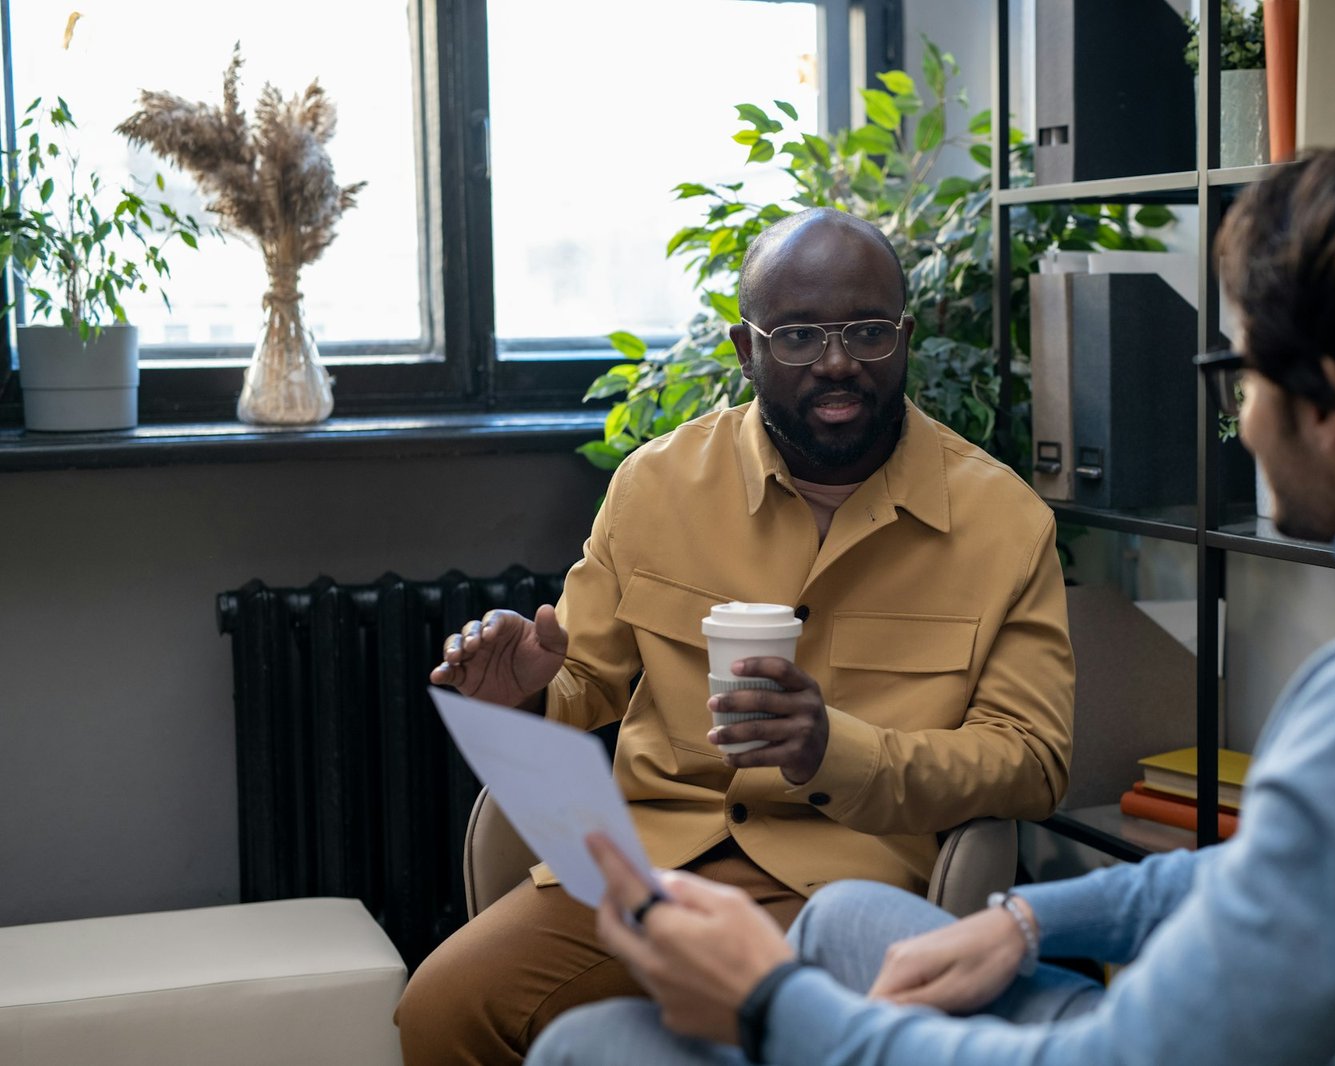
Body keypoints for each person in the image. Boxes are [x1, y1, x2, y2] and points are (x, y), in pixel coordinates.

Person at [526, 145, 1335, 1066]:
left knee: (590, 1045)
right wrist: (1039, 911)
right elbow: (1298, 864)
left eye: (1241, 369)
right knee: (852, 915)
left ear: (1320, 405)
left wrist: (771, 1004)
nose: (1240, 409)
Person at [394, 207, 1075, 1064]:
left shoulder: (1002, 521)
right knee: (444, 1008)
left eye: (867, 332)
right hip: (645, 873)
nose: (837, 363)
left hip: (842, 885)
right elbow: (585, 684)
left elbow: (1033, 761)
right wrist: (523, 696)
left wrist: (836, 749)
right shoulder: (658, 485)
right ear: (745, 349)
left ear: (904, 337)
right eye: (796, 337)